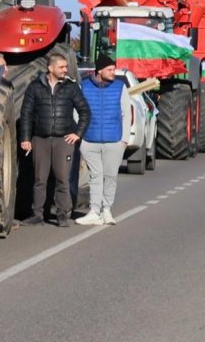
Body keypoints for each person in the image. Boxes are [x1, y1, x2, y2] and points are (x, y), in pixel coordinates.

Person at [18, 53, 90, 226]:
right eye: (62, 67)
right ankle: (37, 214)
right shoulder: (35, 87)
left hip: (63, 140)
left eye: (66, 67)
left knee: (62, 178)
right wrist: (25, 138)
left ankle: (62, 214)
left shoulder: (71, 88)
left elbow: (85, 112)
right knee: (39, 179)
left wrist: (77, 134)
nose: (66, 70)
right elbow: (26, 114)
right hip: (40, 140)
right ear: (50, 68)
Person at [76, 56, 127, 226]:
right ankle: (94, 211)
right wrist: (80, 136)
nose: (113, 73)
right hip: (89, 140)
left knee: (110, 176)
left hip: (114, 141)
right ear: (99, 71)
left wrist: (124, 140)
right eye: (110, 70)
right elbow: (77, 112)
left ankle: (107, 210)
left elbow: (126, 114)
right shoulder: (84, 86)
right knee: (95, 176)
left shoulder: (120, 87)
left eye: (114, 69)